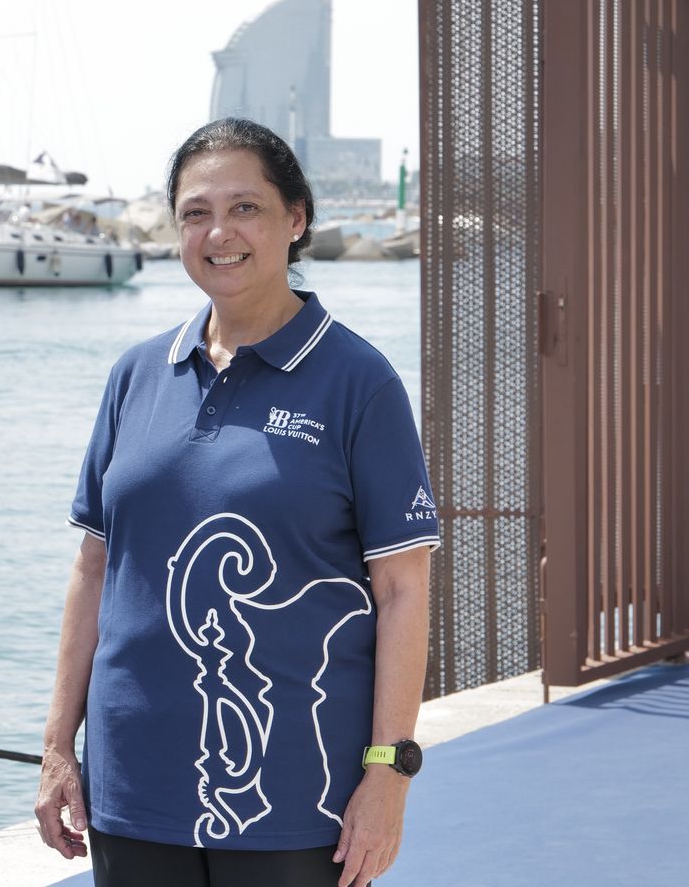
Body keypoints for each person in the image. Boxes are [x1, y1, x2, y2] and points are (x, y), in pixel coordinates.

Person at [34, 117, 437, 887]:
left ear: (296, 219)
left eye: (245, 208)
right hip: (132, 788)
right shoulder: (136, 375)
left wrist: (389, 772)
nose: (219, 232)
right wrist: (59, 749)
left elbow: (401, 589)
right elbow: (94, 567)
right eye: (195, 213)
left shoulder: (360, 382)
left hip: (298, 794)